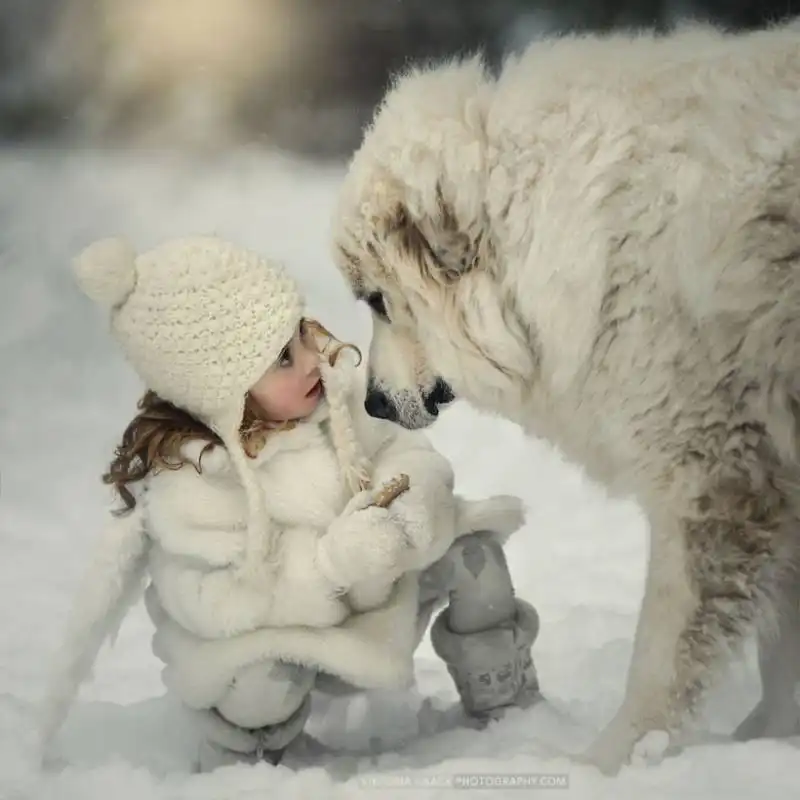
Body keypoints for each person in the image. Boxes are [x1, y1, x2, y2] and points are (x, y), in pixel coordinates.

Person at [38, 235, 541, 771]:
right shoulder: (195, 479)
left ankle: (504, 704)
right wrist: (331, 568)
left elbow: (407, 454)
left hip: (376, 603)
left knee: (476, 557)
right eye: (282, 358)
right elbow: (211, 601)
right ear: (220, 390)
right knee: (259, 689)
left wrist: (405, 510)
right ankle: (248, 763)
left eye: (301, 334)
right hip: (278, 636)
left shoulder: (336, 396)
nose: (309, 362)